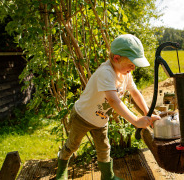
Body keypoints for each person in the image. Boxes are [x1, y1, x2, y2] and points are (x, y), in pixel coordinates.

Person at [56, 34, 160, 180]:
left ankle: (107, 176)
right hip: (82, 117)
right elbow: (113, 100)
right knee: (72, 145)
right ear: (116, 58)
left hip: (100, 121)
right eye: (131, 63)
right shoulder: (106, 72)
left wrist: (148, 113)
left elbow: (135, 93)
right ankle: (61, 169)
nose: (133, 68)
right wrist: (136, 121)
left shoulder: (126, 73)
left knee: (104, 148)